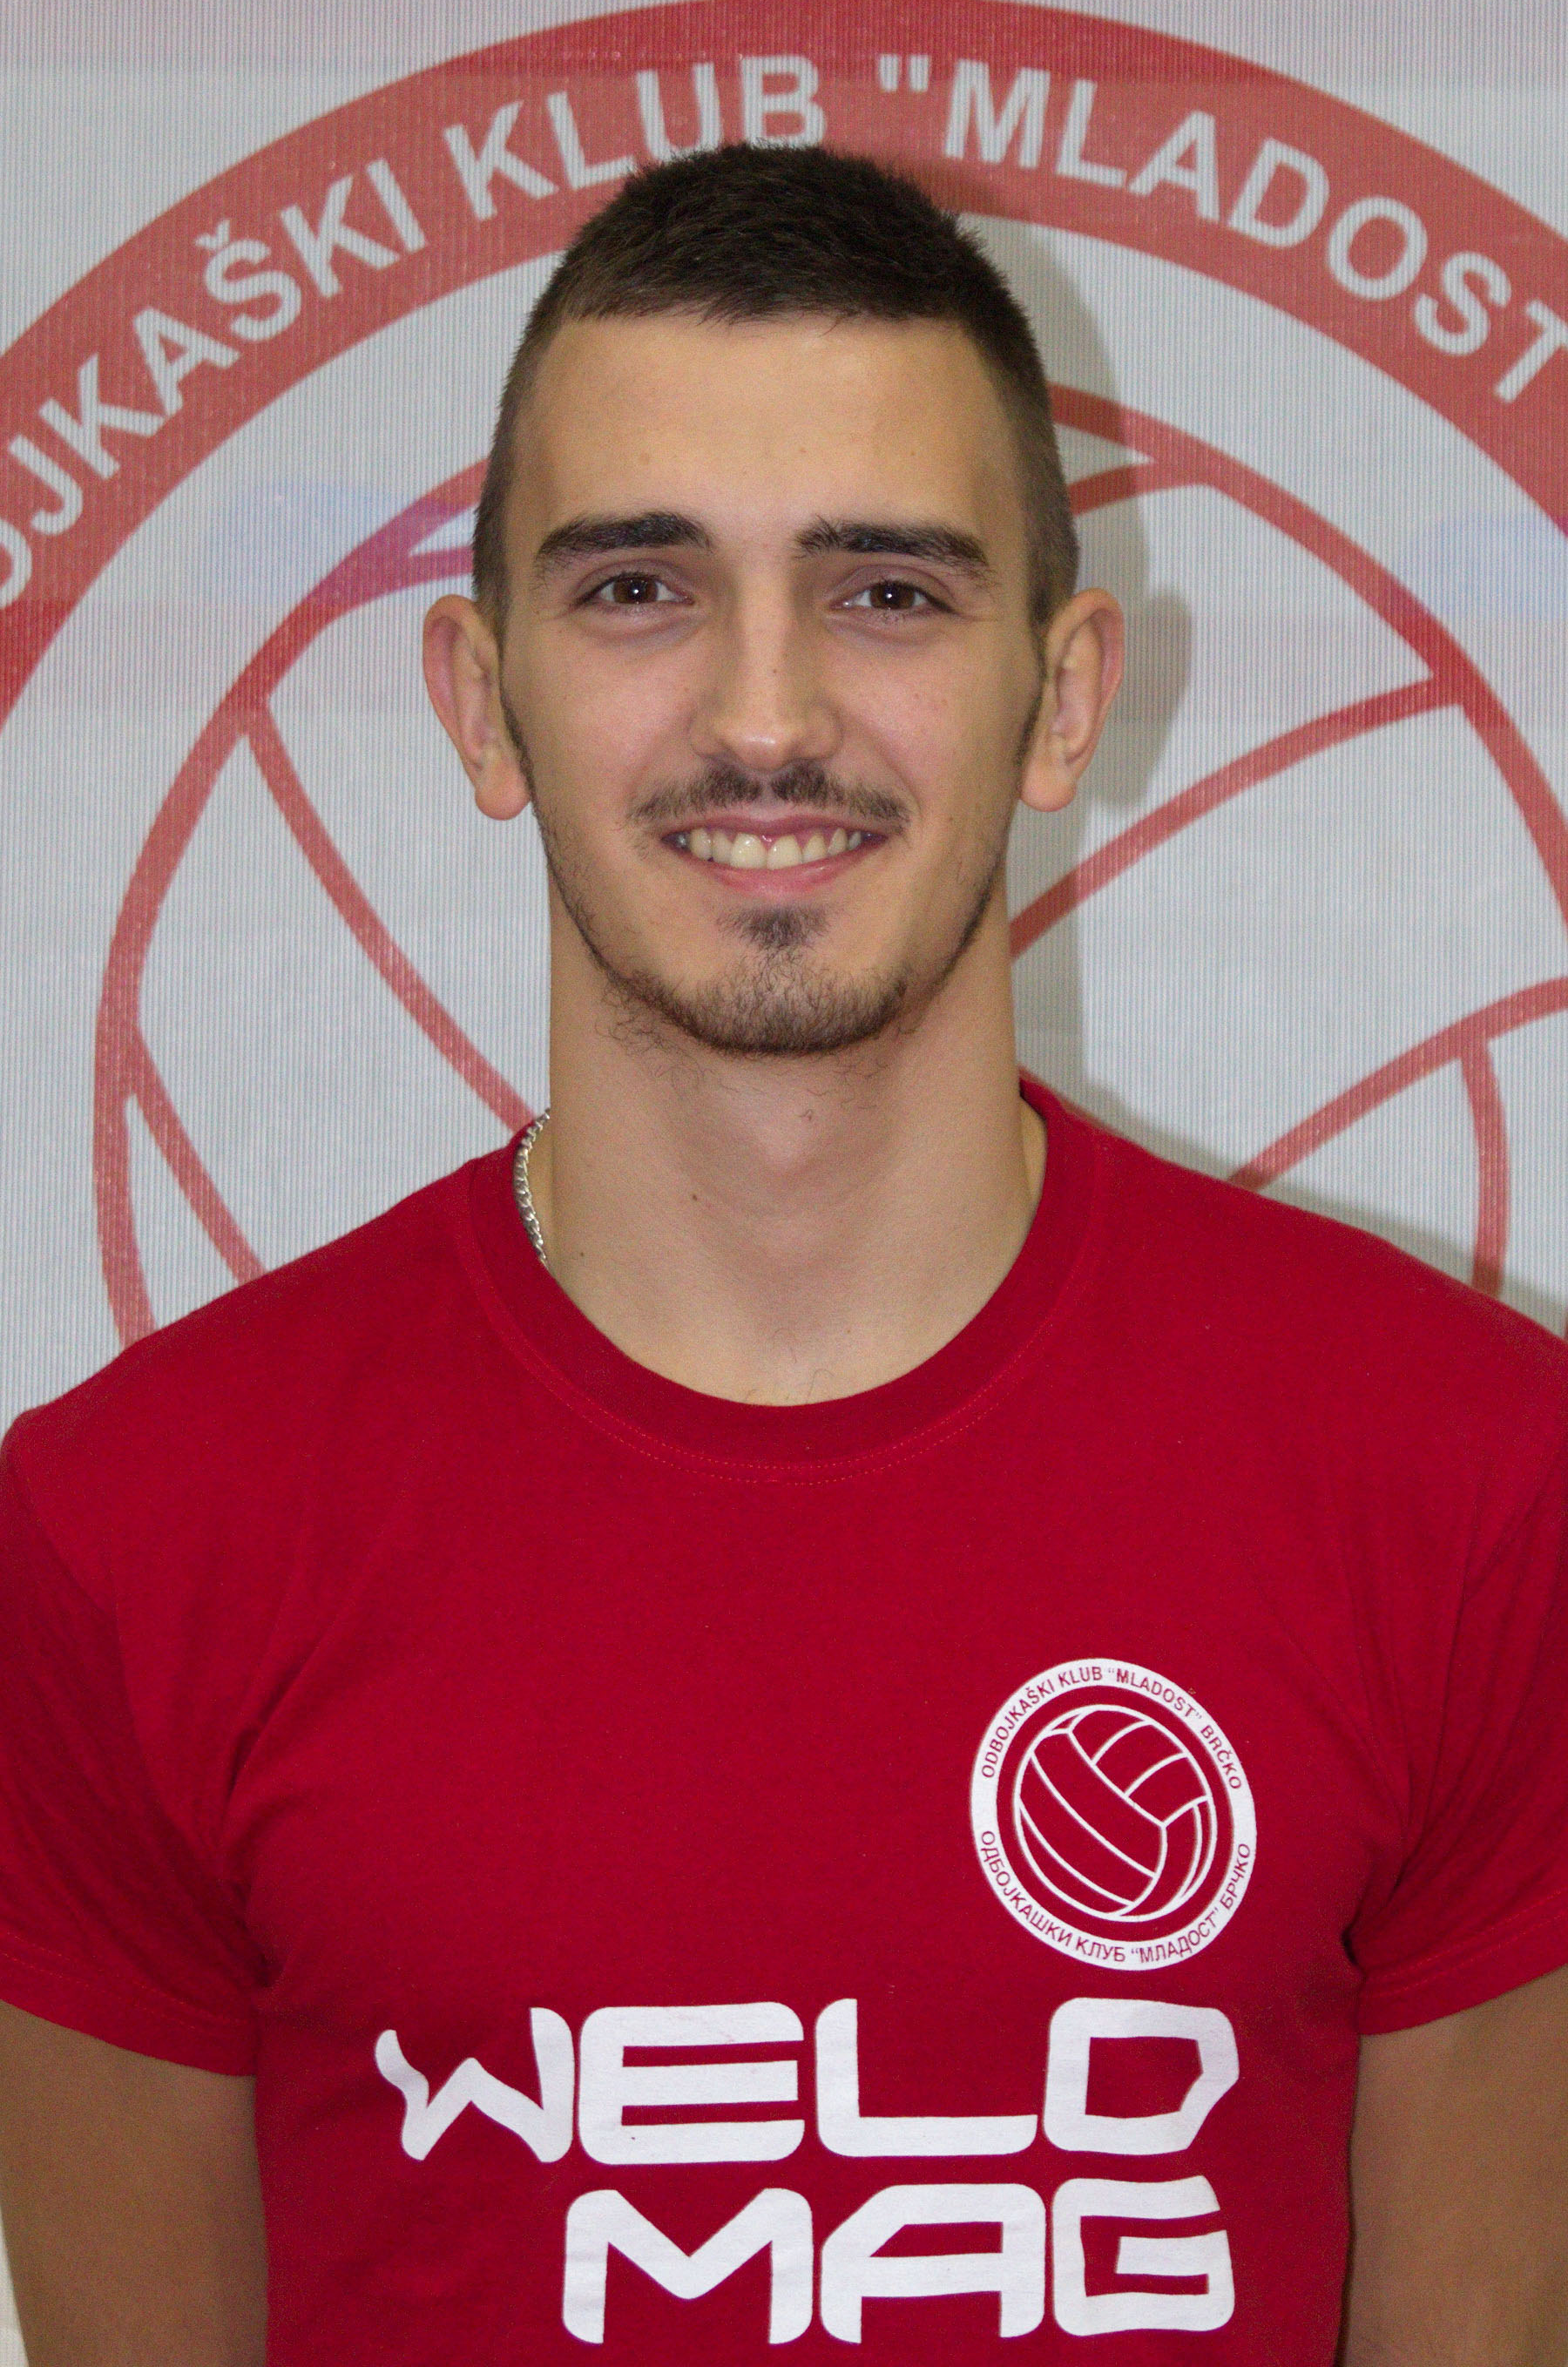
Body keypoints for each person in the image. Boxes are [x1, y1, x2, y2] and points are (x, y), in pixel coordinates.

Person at [1, 142, 1565, 2367]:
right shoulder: (126, 1537)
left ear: (1061, 694)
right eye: (639, 586)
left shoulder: (1473, 1482)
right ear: (477, 696)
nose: (762, 714)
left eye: (888, 591)